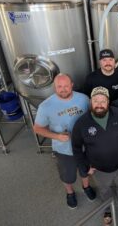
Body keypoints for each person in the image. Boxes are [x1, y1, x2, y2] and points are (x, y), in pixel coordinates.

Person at [33, 73, 96, 209]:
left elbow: (92, 117)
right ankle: (70, 193)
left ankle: (86, 187)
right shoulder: (46, 106)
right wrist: (57, 137)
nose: (63, 89)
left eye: (66, 86)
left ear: (72, 85)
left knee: (84, 170)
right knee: (67, 175)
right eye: (59, 86)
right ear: (54, 87)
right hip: (63, 149)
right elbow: (37, 128)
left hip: (84, 147)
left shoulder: (84, 99)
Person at [72, 87, 118, 225]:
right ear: (91, 102)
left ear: (108, 102)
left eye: (103, 101)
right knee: (104, 190)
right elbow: (76, 148)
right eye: (96, 101)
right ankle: (107, 210)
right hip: (99, 169)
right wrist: (84, 168)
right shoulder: (81, 123)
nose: (99, 104)